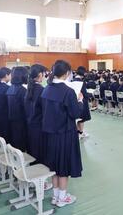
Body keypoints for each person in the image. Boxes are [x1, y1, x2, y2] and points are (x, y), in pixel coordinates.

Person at [41, 60, 83, 208]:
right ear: (66, 73)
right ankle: (62, 198)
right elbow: (75, 113)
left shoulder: (47, 89)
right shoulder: (68, 91)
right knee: (63, 165)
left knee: (54, 166)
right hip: (65, 133)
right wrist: (80, 101)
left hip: (50, 133)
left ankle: (55, 196)